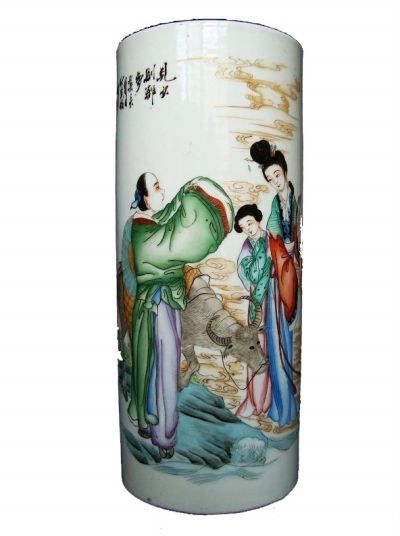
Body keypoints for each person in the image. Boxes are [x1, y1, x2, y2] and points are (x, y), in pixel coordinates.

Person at [121, 173, 234, 458]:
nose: (163, 191)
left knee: (156, 365)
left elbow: (172, 219)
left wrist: (185, 194)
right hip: (155, 306)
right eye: (157, 187)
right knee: (163, 365)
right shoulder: (142, 229)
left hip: (166, 303)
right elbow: (175, 243)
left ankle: (150, 422)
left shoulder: (154, 222)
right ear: (145, 198)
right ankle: (164, 436)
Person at [250, 139, 301, 428]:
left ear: (284, 170)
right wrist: (281, 247)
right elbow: (273, 239)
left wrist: (290, 248)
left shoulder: (294, 199)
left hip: (289, 275)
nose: (275, 182)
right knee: (276, 340)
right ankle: (281, 409)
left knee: (284, 341)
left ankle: (288, 409)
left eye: (277, 175)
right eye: (270, 179)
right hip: (277, 277)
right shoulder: (274, 204)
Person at [234, 204, 272, 417]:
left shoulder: (270, 240)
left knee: (269, 346)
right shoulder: (248, 246)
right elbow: (246, 273)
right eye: (243, 227)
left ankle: (265, 401)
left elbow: (259, 272)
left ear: (257, 219)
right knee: (255, 346)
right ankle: (254, 400)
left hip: (272, 300)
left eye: (249, 223)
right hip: (257, 302)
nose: (248, 229)